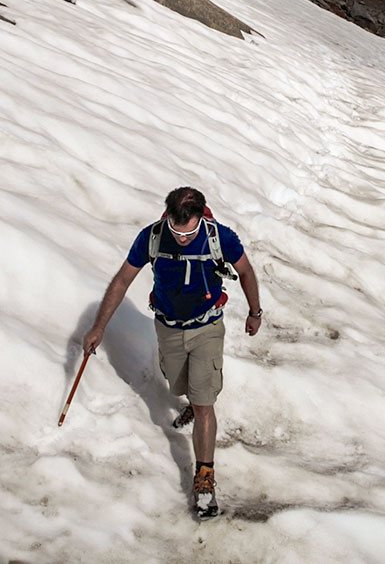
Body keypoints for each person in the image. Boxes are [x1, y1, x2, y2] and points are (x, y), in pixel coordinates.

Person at [82, 187, 262, 517]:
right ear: (168, 217)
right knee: (178, 385)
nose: (182, 238)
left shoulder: (219, 237)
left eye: (190, 231)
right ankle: (193, 401)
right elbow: (123, 280)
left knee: (205, 401)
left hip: (207, 328)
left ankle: (204, 479)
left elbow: (246, 271)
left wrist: (255, 312)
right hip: (168, 328)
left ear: (201, 218)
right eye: (177, 231)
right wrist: (99, 327)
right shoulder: (152, 238)